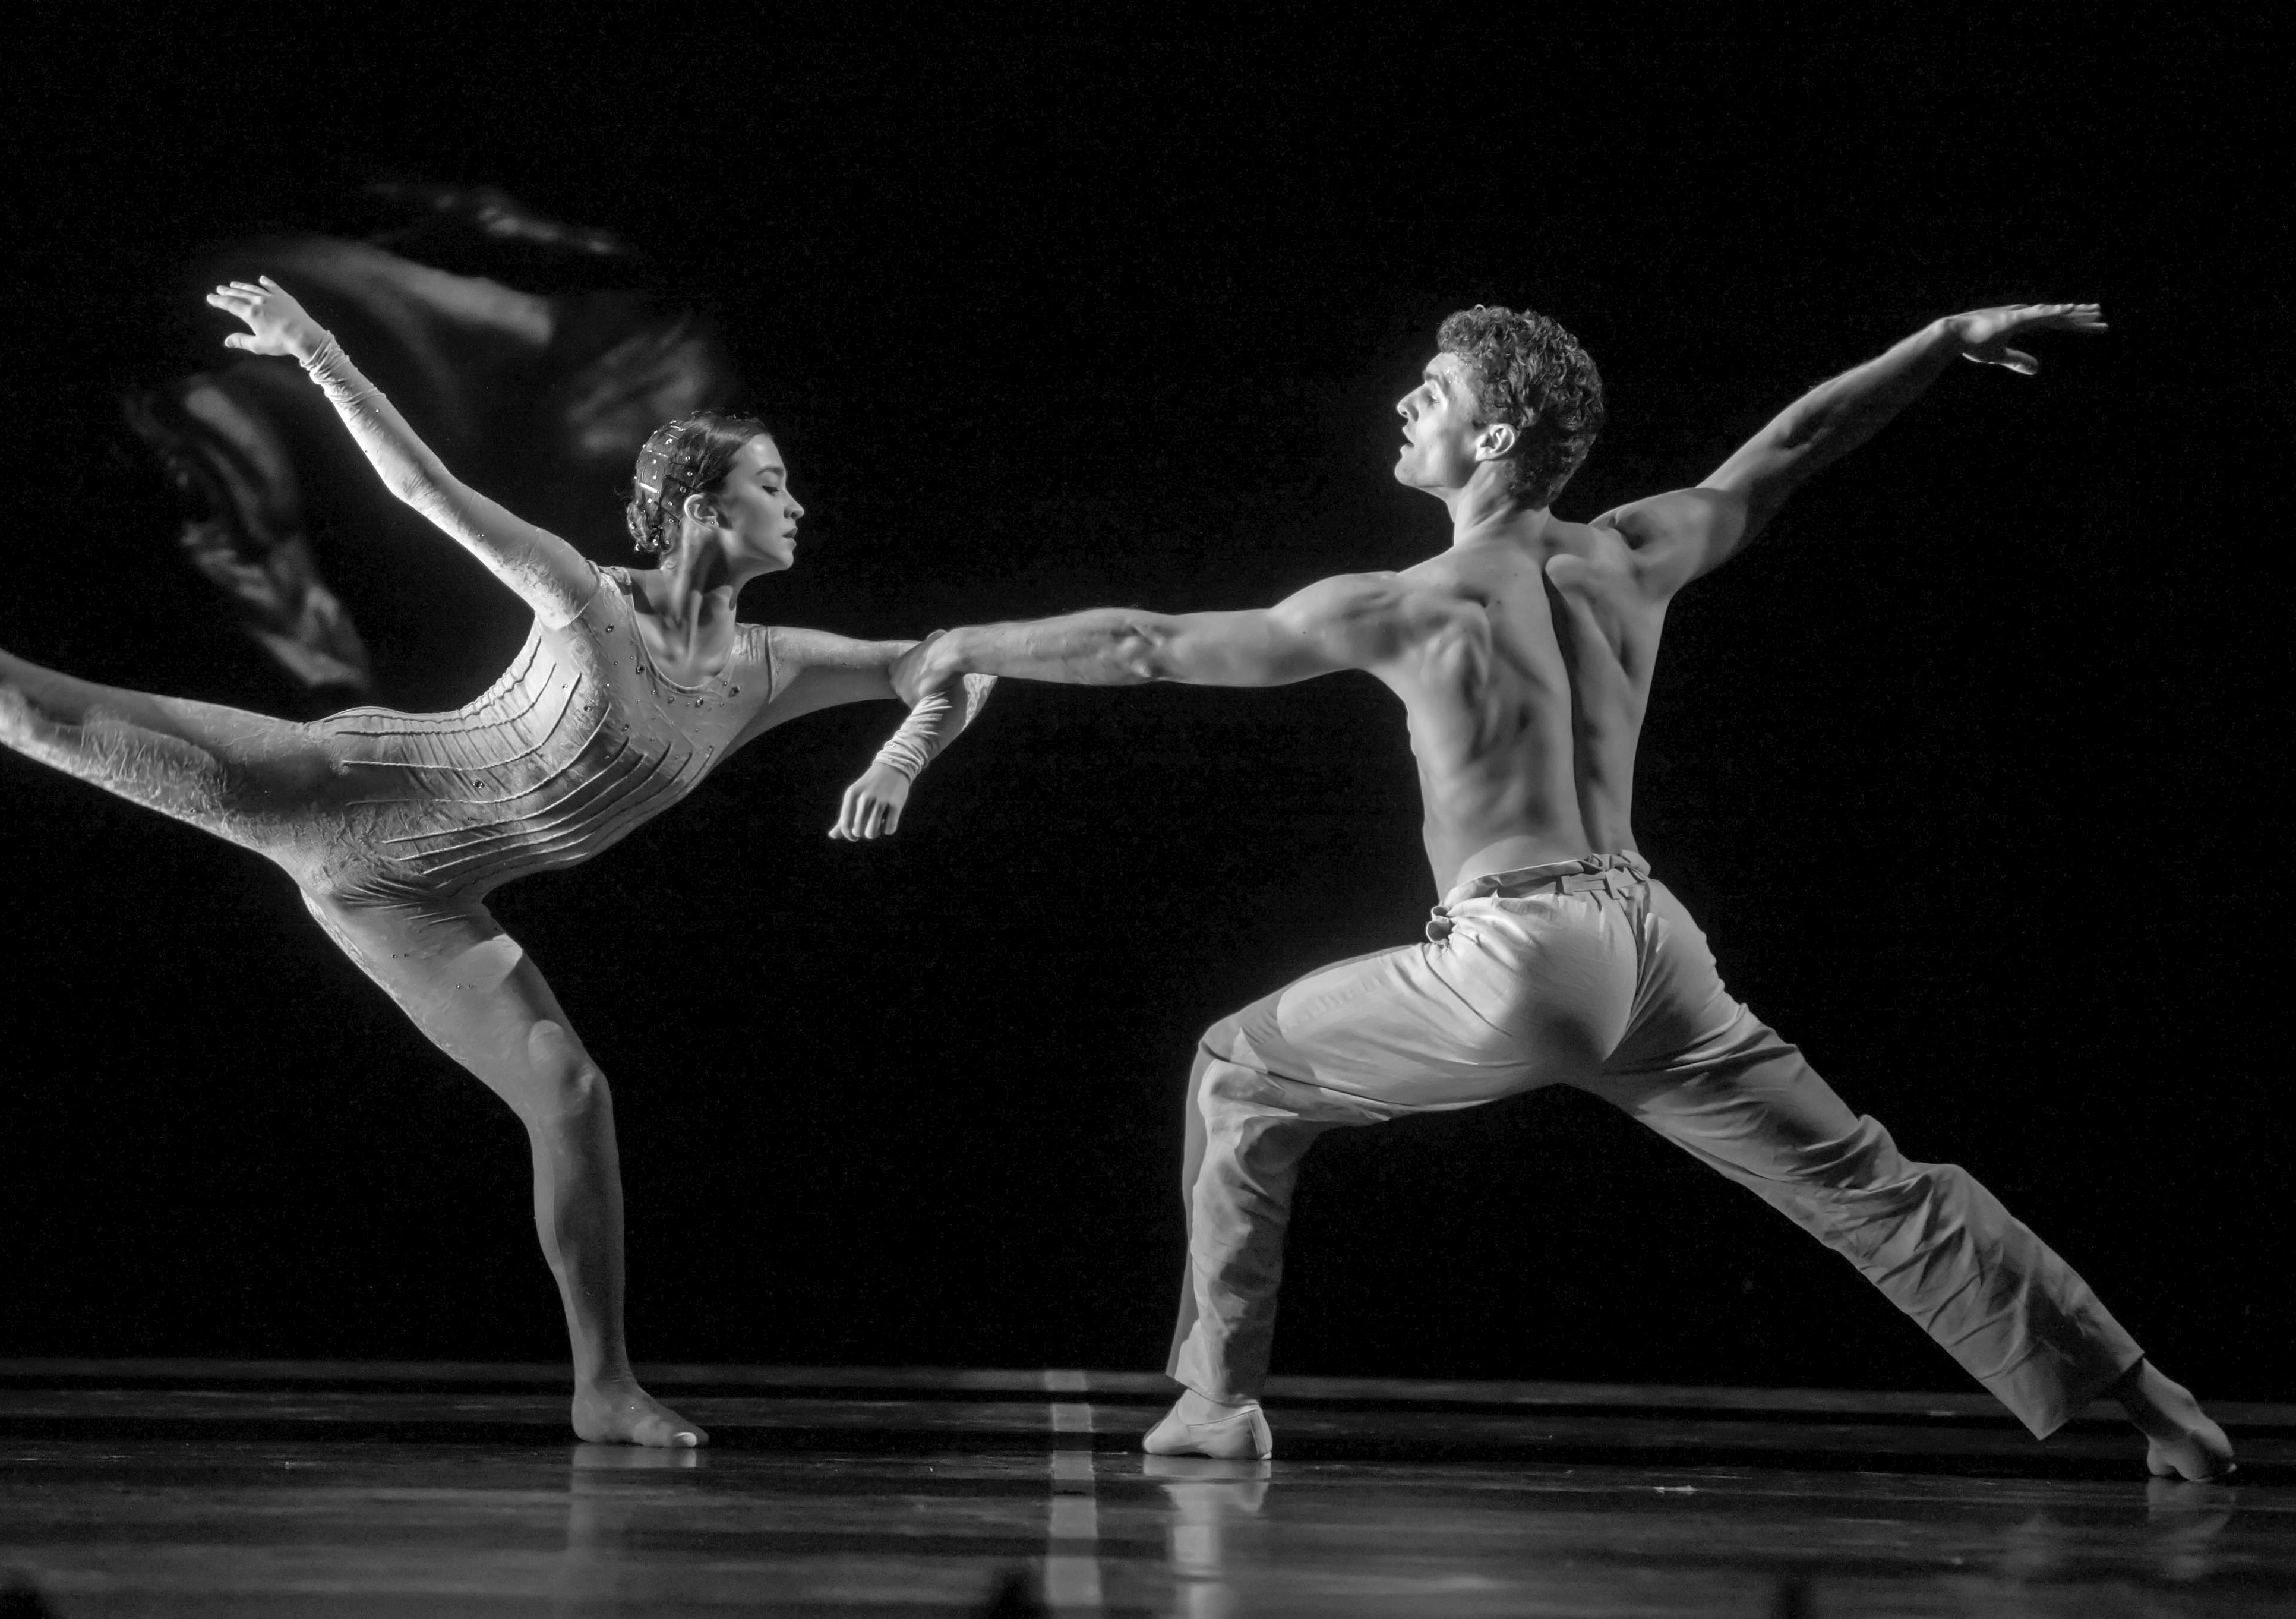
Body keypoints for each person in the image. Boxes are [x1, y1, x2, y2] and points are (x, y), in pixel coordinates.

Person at [895, 301, 2235, 1478]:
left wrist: (962, 642)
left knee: (1235, 1074)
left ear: (1489, 442)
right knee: (1869, 1183)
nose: (1408, 397)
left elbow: (1143, 645)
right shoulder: (1629, 554)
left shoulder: (1408, 602)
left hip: (1521, 953)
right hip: (1656, 949)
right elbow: (1789, 450)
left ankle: (1214, 1401)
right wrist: (1935, 346)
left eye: (1439, 387)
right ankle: (2147, 1397)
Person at [0, 276, 991, 1450]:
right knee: (32, 711)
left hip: (421, 906)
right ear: (701, 509)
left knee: (570, 1098)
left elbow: (944, 659)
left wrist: (903, 753)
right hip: (327, 792)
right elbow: (423, 493)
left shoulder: (766, 671)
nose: (797, 499)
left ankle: (600, 1388)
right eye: (773, 482)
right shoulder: (589, 602)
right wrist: (317, 353)